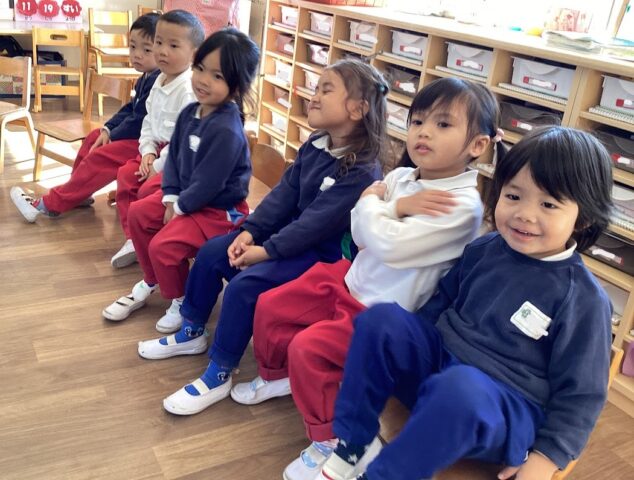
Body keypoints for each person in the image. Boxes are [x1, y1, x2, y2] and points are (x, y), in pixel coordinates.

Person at [230, 78, 507, 480]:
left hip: (380, 308)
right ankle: (279, 376)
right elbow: (360, 235)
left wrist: (374, 205)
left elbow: (387, 243)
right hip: (351, 278)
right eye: (417, 121)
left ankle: (335, 439)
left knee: (308, 349)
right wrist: (393, 208)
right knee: (272, 305)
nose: (424, 132)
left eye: (443, 124)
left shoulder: (461, 207)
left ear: (477, 145)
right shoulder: (402, 178)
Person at [316, 126, 614, 480]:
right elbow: (438, 304)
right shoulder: (483, 248)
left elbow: (582, 395)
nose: (524, 214)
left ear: (584, 219)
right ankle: (353, 441)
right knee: (381, 320)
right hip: (441, 374)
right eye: (513, 196)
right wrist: (406, 350)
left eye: (548, 204)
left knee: (460, 388)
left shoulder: (584, 298)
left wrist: (546, 458)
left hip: (503, 407)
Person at [137, 59, 388, 416]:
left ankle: (219, 372)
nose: (314, 96)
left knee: (244, 287)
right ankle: (192, 330)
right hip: (285, 240)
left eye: (326, 90)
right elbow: (282, 197)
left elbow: (313, 226)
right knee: (212, 253)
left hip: (321, 257)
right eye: (316, 88)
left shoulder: (363, 170)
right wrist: (249, 231)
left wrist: (265, 251)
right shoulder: (316, 143)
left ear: (357, 109)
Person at [101, 28, 260, 335]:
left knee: (164, 245)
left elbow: (209, 183)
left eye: (217, 76)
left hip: (219, 210)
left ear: (237, 85)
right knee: (138, 214)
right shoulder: (190, 112)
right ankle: (153, 279)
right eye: (200, 68)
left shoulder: (227, 129)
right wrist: (171, 197)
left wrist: (179, 207)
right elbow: (173, 158)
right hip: (189, 199)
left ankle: (180, 297)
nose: (203, 80)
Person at [10, 12, 161, 223]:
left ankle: (50, 203)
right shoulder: (147, 76)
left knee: (100, 156)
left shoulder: (158, 80)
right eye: (133, 47)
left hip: (147, 143)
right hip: (138, 136)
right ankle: (77, 194)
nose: (137, 55)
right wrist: (108, 129)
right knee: (93, 138)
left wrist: (113, 135)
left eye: (146, 50)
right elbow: (131, 108)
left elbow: (139, 121)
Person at [110, 9, 204, 268]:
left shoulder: (189, 90)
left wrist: (158, 164)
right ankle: (133, 237)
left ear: (194, 54)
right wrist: (148, 150)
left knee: (147, 189)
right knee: (126, 175)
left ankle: (156, 237)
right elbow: (148, 122)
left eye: (173, 45)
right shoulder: (159, 80)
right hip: (157, 151)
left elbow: (183, 143)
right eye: (159, 42)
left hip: (178, 160)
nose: (162, 51)